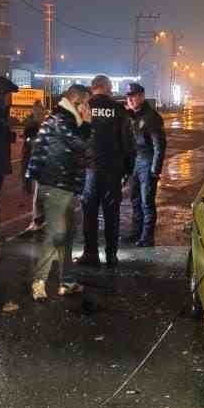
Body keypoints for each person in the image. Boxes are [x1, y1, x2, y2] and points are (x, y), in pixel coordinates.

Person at [25, 84, 91, 299]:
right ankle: (39, 281)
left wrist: (31, 176)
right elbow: (82, 146)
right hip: (57, 186)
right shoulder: (63, 121)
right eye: (86, 103)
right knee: (57, 235)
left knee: (67, 235)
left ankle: (67, 281)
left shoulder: (61, 118)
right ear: (77, 102)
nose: (88, 107)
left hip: (63, 185)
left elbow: (39, 151)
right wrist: (88, 124)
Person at [80, 74, 135, 268]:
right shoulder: (119, 110)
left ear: (93, 87)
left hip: (90, 170)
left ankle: (90, 254)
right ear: (107, 87)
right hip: (113, 170)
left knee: (89, 212)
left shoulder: (84, 108)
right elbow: (128, 142)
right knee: (112, 213)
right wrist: (128, 169)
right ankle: (111, 255)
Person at [123, 81, 165, 247]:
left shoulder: (151, 117)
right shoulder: (132, 116)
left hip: (147, 163)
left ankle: (147, 237)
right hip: (134, 163)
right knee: (135, 200)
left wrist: (155, 170)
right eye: (129, 97)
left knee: (146, 201)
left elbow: (159, 146)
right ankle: (136, 232)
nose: (131, 100)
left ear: (142, 96)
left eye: (134, 96)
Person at [19, 102, 46, 236]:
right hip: (35, 161)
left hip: (40, 162)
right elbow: (28, 145)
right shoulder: (33, 124)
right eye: (39, 112)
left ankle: (39, 219)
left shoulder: (41, 124)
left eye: (42, 112)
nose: (41, 114)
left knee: (40, 191)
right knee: (38, 191)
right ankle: (37, 219)